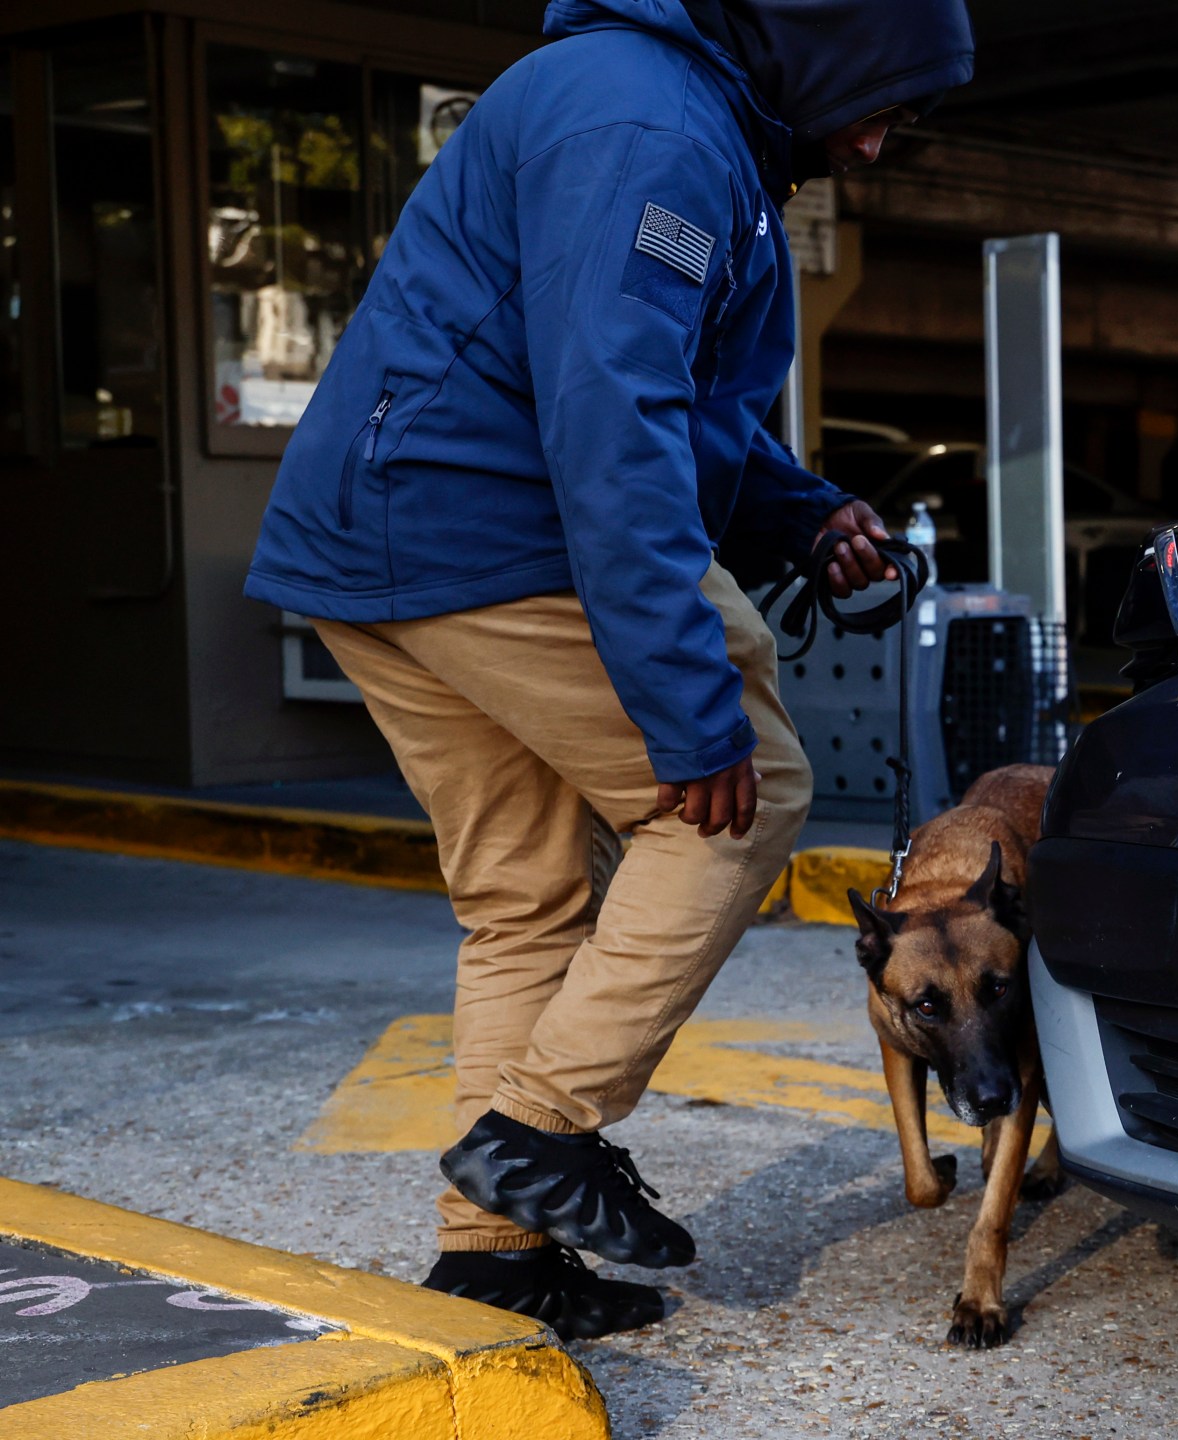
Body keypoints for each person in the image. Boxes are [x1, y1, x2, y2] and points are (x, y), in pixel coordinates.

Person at [243, 0, 973, 1336]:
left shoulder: (676, 116)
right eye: (885, 102)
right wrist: (690, 713)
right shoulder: (652, 125)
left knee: (523, 903)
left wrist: (799, 512)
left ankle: (492, 1256)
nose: (875, 145)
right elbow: (611, 417)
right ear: (828, 41)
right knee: (746, 789)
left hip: (392, 543)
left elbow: (670, 406)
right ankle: (542, 1131)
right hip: (488, 536)